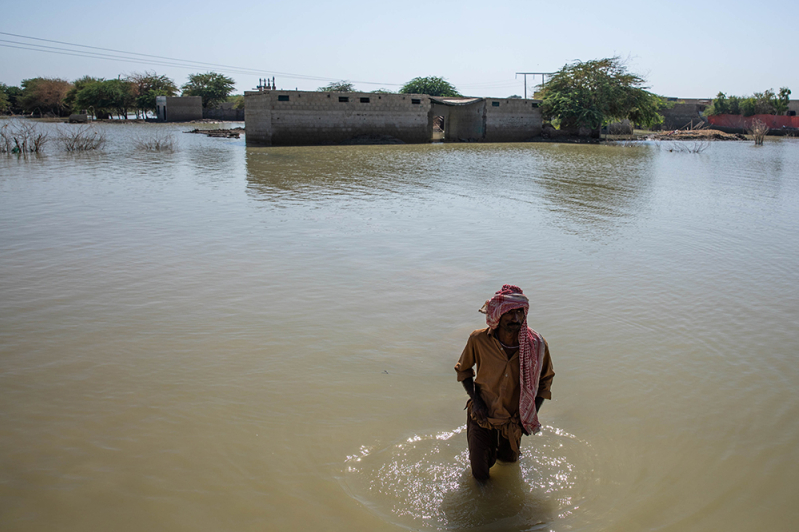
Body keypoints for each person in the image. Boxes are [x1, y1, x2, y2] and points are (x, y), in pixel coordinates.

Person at [454, 285, 554, 482]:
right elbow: (463, 370)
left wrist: (530, 415)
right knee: (479, 475)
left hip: (514, 422)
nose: (515, 319)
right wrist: (476, 400)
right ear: (498, 315)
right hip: (482, 416)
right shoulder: (478, 340)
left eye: (519, 313)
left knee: (509, 465)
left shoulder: (536, 345)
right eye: (510, 313)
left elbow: (545, 382)